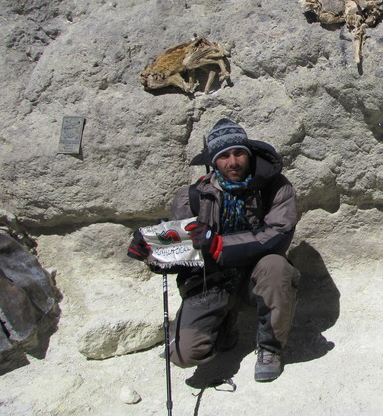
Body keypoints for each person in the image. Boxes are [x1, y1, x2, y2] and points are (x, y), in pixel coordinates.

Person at [128, 118, 300, 382]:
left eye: (239, 152)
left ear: (249, 153)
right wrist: (151, 253)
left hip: (255, 278)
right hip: (210, 281)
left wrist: (218, 243)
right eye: (224, 156)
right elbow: (179, 257)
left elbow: (278, 236)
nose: (233, 162)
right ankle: (223, 325)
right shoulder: (192, 196)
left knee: (276, 267)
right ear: (213, 162)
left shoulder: (275, 186)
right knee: (185, 356)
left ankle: (270, 347)